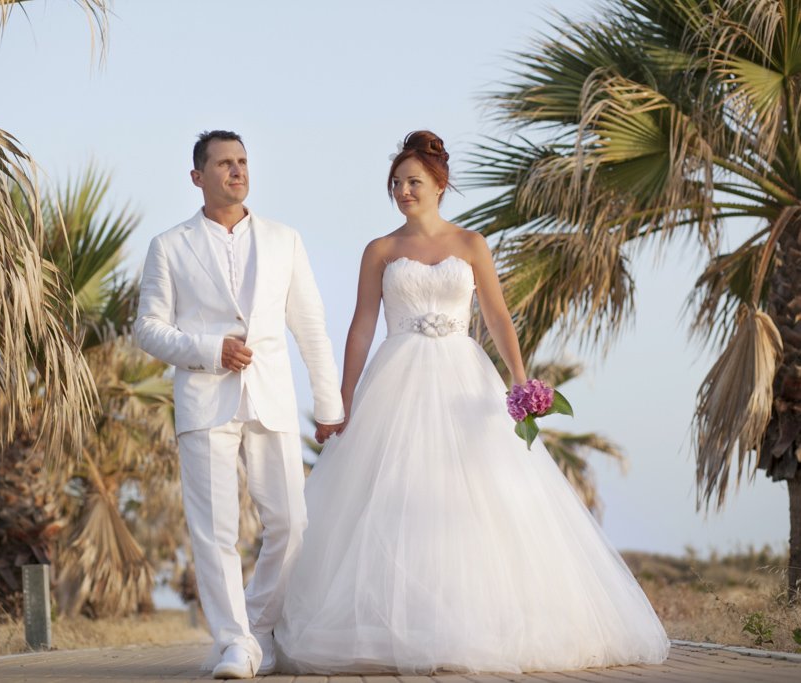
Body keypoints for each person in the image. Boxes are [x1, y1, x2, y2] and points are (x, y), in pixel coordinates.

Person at [274, 130, 670, 674]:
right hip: (396, 381)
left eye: (413, 182)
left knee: (478, 496)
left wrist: (520, 381)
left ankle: (474, 623)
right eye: (396, 183)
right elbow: (362, 325)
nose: (403, 191)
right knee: (393, 495)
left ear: (439, 184)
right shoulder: (380, 251)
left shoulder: (471, 244)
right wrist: (342, 399)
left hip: (464, 380)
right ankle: (395, 624)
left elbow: (498, 315)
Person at [134, 130, 345, 679]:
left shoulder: (284, 239)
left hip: (271, 397)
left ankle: (253, 627)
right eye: (224, 163)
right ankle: (235, 644)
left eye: (243, 161)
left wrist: (328, 405)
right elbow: (148, 329)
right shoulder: (169, 245)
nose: (237, 171)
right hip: (205, 400)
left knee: (293, 523)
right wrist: (210, 350)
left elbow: (311, 327)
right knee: (215, 532)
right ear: (197, 176)